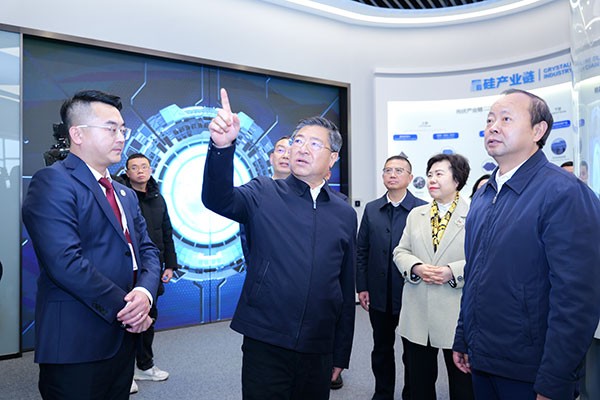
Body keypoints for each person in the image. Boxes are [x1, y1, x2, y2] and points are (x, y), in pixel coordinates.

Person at [202, 88, 356, 400]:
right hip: (266, 338)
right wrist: (221, 147)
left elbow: (344, 283)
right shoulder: (264, 192)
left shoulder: (344, 212)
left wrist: (341, 352)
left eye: (315, 144)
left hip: (318, 343)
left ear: (333, 158)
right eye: (298, 141)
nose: (302, 148)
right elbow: (218, 198)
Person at [452, 89, 600, 400]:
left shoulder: (564, 193)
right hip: (483, 358)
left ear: (538, 130)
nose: (493, 127)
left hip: (531, 371)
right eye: (490, 119)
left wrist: (555, 379)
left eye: (506, 119)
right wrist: (464, 336)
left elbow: (576, 299)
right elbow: (475, 276)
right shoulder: (483, 195)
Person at [22, 90, 161, 400]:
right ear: (77, 134)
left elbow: (148, 251)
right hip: (77, 341)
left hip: (122, 340)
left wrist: (144, 294)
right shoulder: (53, 182)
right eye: (111, 129)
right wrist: (128, 309)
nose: (121, 137)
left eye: (122, 129)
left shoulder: (124, 193)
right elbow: (64, 262)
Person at [393, 153, 474, 400]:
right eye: (429, 174)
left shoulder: (474, 213)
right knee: (419, 383)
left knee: (463, 384)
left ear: (457, 179)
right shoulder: (416, 214)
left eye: (439, 174)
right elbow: (400, 251)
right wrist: (416, 267)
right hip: (418, 311)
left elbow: (484, 257)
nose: (431, 180)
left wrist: (453, 271)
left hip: (456, 313)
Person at [355, 155, 426, 400]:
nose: (392, 174)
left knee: (412, 352)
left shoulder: (422, 209)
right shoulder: (371, 209)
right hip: (379, 293)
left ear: (410, 177)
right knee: (381, 348)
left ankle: (411, 394)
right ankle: (382, 393)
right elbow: (362, 250)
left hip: (412, 293)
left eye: (398, 170)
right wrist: (362, 286)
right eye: (388, 170)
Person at [119, 153, 179, 394]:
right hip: (127, 270)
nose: (140, 171)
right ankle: (123, 374)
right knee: (125, 321)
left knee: (149, 318)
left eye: (144, 166)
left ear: (151, 169)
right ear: (127, 172)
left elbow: (167, 232)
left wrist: (170, 265)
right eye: (134, 167)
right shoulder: (120, 196)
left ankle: (144, 366)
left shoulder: (158, 198)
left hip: (152, 270)